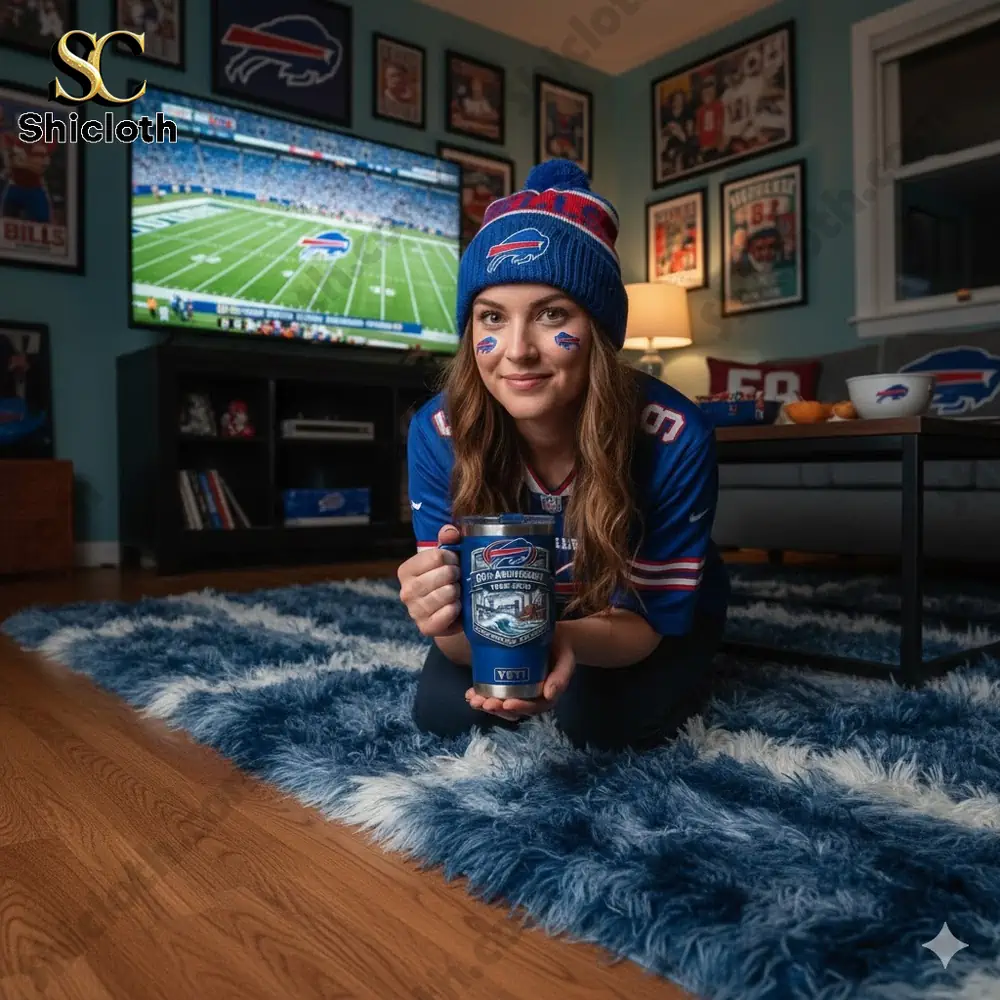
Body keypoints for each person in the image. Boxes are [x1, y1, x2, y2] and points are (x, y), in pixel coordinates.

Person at [397, 159, 729, 753]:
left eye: (552, 315)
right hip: (526, 610)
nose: (518, 351)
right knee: (446, 715)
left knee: (597, 725)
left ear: (598, 329)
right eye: (492, 317)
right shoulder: (438, 429)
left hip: (636, 614)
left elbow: (645, 624)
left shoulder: (675, 434)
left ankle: (704, 657)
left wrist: (549, 640)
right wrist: (440, 613)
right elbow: (453, 639)